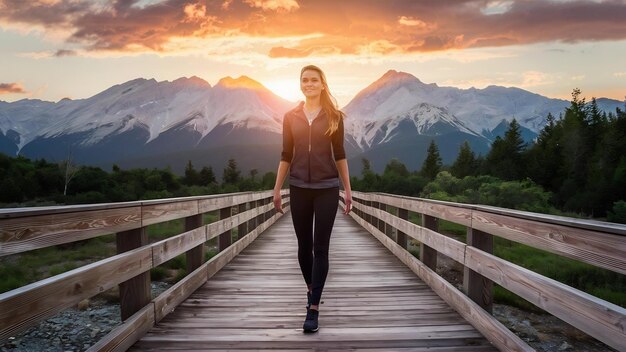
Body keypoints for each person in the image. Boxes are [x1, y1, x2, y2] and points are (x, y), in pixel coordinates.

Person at [273, 65, 352, 333]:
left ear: (322, 84)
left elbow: (340, 154)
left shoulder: (334, 117)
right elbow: (286, 154)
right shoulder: (290, 117)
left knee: (321, 248)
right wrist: (276, 188)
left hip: (327, 188)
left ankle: (314, 307)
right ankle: (311, 289)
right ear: (300, 84)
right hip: (298, 187)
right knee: (303, 246)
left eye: (314, 80)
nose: (309, 84)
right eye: (305, 80)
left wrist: (348, 189)